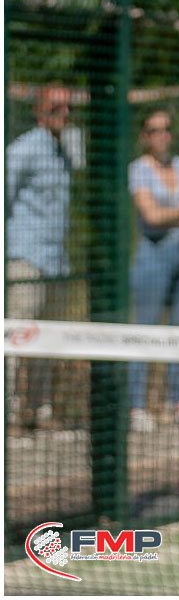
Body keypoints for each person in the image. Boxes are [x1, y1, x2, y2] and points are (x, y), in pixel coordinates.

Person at [127, 109, 179, 432]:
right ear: (144, 136)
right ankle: (137, 406)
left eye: (166, 129)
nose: (162, 135)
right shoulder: (138, 169)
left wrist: (168, 213)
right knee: (145, 331)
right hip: (153, 257)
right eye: (154, 129)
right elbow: (150, 216)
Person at [5, 83, 74, 431]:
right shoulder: (24, 149)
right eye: (56, 107)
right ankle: (7, 412)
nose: (64, 114)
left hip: (56, 261)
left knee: (48, 338)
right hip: (25, 257)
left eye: (68, 107)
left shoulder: (65, 151)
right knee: (16, 336)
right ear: (39, 110)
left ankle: (38, 411)